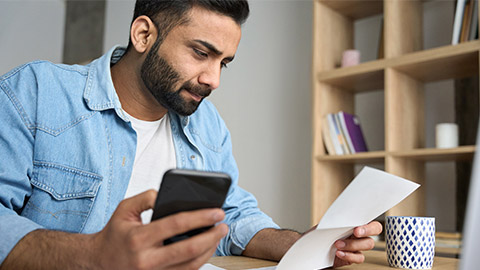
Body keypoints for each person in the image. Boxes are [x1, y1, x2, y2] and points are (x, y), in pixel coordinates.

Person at [0, 0, 382, 269]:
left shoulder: (206, 123)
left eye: (223, 63)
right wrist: (94, 256)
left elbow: (232, 214)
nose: (213, 80)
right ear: (144, 34)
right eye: (201, 53)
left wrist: (300, 245)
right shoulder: (35, 92)